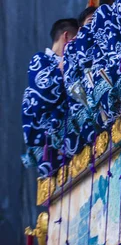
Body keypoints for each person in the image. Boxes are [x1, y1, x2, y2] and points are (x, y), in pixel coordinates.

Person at [21, 18, 78, 176]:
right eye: (76, 40)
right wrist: (61, 70)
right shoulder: (40, 61)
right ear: (66, 37)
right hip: (54, 147)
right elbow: (42, 97)